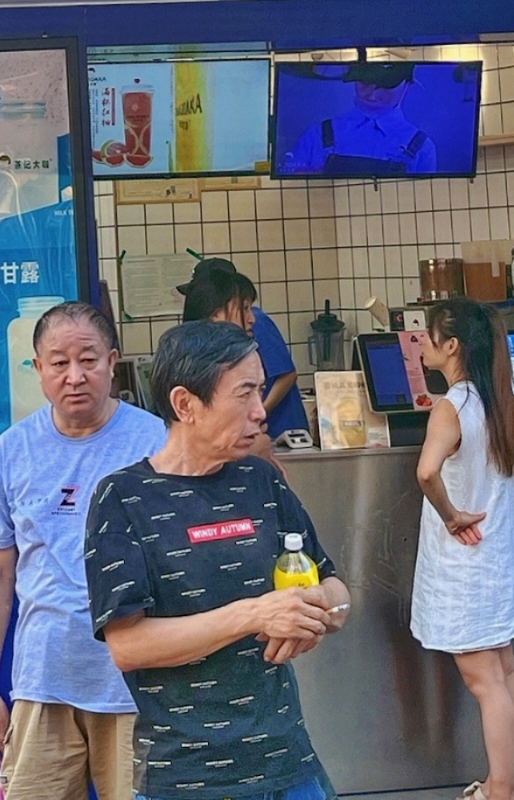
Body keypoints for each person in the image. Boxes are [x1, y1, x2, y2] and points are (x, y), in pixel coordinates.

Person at [84, 320, 351, 800]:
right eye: (244, 393)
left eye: (260, 391)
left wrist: (316, 613)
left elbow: (334, 587)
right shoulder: (123, 499)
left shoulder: (261, 481)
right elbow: (129, 646)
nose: (260, 411)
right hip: (186, 776)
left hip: (286, 764)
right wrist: (254, 614)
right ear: (185, 404)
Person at [0, 302, 166, 800]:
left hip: (135, 685)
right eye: (59, 362)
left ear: (112, 363)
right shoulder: (12, 450)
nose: (74, 376)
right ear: (38, 369)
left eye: (89, 360)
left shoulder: (156, 441)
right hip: (43, 678)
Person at [411, 299, 514, 800]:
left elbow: (426, 472)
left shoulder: (453, 407)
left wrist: (450, 514)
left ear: (452, 346)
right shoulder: (498, 400)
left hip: (468, 562)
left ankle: (500, 789)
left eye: (427, 336)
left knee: (485, 682)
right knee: (504, 672)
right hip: (501, 560)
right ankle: (507, 784)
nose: (421, 343)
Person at [179, 259, 308, 452]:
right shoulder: (202, 352)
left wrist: (257, 416)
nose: (251, 318)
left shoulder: (255, 326)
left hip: (280, 432)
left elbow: (287, 374)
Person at [280, 63, 437, 176]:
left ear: (408, 84)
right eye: (365, 82)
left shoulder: (422, 147)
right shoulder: (317, 134)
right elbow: (289, 190)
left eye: (386, 84)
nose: (372, 95)